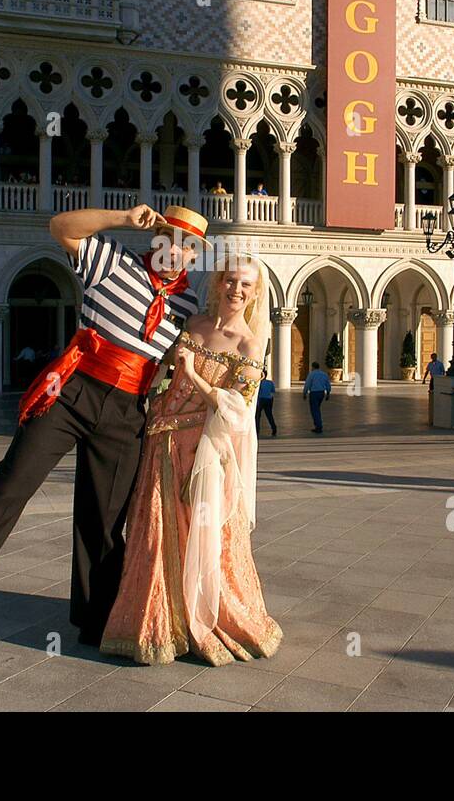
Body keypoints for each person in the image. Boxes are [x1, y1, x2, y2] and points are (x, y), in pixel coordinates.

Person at [0, 204, 207, 645]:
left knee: (103, 519)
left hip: (127, 411)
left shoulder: (187, 304)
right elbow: (60, 227)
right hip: (73, 391)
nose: (177, 252)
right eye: (169, 239)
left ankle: (95, 619)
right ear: (155, 239)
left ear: (195, 256)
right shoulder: (112, 259)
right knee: (9, 486)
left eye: (187, 247)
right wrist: (121, 217)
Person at [101, 255, 282, 665]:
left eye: (245, 285)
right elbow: (161, 367)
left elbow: (238, 409)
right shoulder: (195, 324)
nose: (237, 290)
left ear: (255, 294)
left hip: (203, 450)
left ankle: (208, 617)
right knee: (156, 531)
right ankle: (158, 623)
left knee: (204, 536)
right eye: (231, 280)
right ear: (218, 283)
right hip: (160, 440)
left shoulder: (249, 343)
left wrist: (193, 372)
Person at [303, 361, 331, 433]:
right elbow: (328, 384)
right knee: (317, 409)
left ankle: (318, 426)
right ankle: (318, 425)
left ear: (313, 367)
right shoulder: (324, 374)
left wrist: (304, 393)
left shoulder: (311, 374)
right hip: (321, 393)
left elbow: (307, 384)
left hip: (314, 393)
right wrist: (328, 393)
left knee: (315, 410)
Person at [255, 370, 277, 436]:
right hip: (269, 399)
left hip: (260, 400)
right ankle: (274, 428)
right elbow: (273, 391)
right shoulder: (270, 383)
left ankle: (257, 430)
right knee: (269, 415)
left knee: (258, 416)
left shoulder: (258, 383)